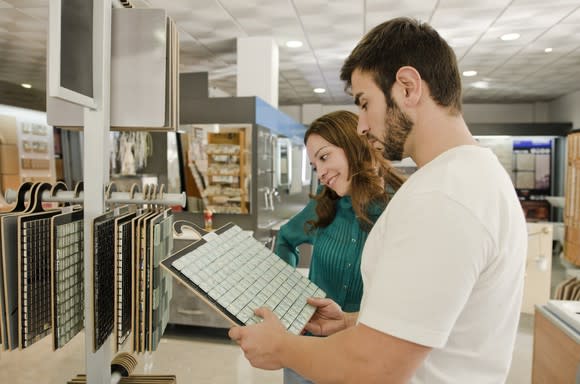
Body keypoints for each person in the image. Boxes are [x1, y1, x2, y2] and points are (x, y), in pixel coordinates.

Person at [229, 17, 527, 384]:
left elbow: (374, 368)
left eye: (364, 102)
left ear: (407, 87)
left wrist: (280, 347)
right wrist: (355, 321)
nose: (362, 126)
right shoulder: (476, 176)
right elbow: (436, 321)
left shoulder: (441, 196)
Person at [274, 110, 404, 384]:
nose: (320, 173)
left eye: (324, 157)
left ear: (353, 145)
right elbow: (285, 238)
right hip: (308, 353)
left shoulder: (401, 208)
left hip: (365, 358)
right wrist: (287, 295)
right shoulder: (323, 206)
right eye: (314, 166)